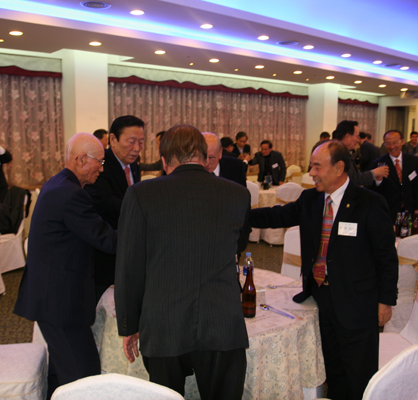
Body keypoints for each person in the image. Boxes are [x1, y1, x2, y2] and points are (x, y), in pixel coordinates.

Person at [249, 140, 398, 400]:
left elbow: (386, 257)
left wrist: (385, 302)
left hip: (357, 303)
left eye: (317, 167)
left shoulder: (370, 203)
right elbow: (276, 216)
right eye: (311, 166)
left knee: (358, 374)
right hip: (321, 298)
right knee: (333, 369)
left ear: (339, 168)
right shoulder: (311, 199)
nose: (311, 173)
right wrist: (237, 212)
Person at [115, 124, 250, 399]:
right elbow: (238, 246)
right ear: (204, 157)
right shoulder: (238, 194)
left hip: (164, 324)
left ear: (164, 161)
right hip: (222, 323)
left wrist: (130, 326)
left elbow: (129, 266)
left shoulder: (141, 194)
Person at [14, 133, 117, 399]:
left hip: (52, 294)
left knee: (61, 371)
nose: (101, 168)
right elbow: (106, 240)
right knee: (84, 374)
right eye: (99, 162)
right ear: (81, 159)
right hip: (59, 301)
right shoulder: (71, 194)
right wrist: (145, 235)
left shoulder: (59, 183)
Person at [85, 115, 144, 300]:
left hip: (127, 250)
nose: (137, 148)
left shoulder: (133, 165)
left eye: (141, 142)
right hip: (106, 252)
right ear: (113, 139)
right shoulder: (100, 164)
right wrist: (144, 212)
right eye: (131, 142)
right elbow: (107, 203)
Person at [371, 130, 418, 222]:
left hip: (409, 209)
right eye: (388, 143)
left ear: (402, 142)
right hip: (388, 211)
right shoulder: (378, 163)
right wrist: (378, 180)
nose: (392, 146)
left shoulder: (413, 161)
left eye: (395, 142)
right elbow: (373, 191)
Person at [332, 120, 388, 186]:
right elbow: (351, 179)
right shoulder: (338, 153)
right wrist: (374, 173)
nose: (358, 140)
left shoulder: (343, 151)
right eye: (357, 136)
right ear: (347, 137)